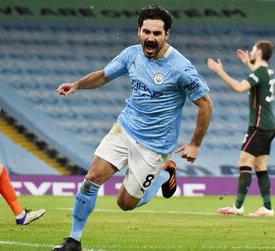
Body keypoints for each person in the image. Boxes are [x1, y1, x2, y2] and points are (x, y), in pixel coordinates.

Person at [52, 5, 213, 251]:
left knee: (125, 204)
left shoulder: (181, 68)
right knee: (92, 178)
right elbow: (104, 75)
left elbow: (205, 105)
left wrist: (195, 143)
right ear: (138, 31)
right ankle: (74, 240)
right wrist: (77, 85)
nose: (150, 38)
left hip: (155, 146)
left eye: (157, 33)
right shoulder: (131, 55)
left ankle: (164, 175)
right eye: (146, 31)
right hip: (125, 129)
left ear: (167, 35)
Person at [207, 40, 275, 217]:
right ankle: (267, 208)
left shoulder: (260, 73)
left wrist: (220, 71)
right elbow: (257, 74)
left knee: (245, 163)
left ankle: (238, 206)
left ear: (259, 53)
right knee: (260, 166)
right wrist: (248, 63)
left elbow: (239, 87)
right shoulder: (267, 72)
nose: (251, 51)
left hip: (259, 127)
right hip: (269, 126)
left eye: (253, 50)